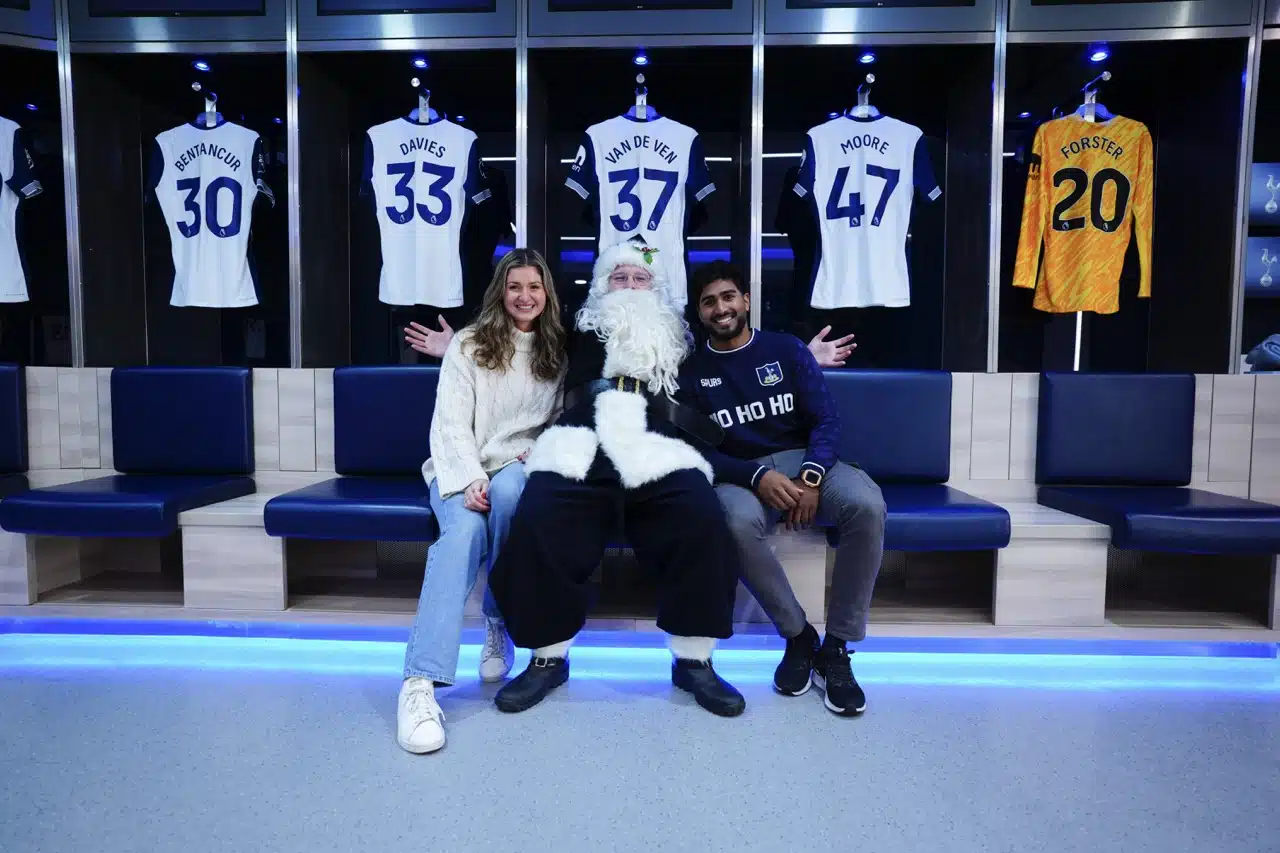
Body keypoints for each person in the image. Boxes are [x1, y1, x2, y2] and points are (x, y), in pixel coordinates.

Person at [678, 260, 886, 717]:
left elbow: (826, 419)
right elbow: (698, 450)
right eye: (709, 302)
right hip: (743, 474)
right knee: (731, 523)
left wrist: (810, 476)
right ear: (700, 312)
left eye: (728, 297)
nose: (721, 308)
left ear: (746, 300)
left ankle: (837, 647)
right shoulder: (690, 372)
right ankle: (798, 637)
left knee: (867, 505)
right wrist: (756, 477)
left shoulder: (785, 349)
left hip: (805, 461)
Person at [397, 248, 566, 755]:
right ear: (500, 291)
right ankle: (420, 682)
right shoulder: (468, 344)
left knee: (512, 493)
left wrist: (537, 452)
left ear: (546, 293)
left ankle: (498, 621)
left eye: (534, 287)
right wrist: (470, 476)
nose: (524, 296)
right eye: (515, 286)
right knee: (465, 531)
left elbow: (558, 421)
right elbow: (449, 424)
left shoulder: (556, 351)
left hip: (516, 465)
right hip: (459, 465)